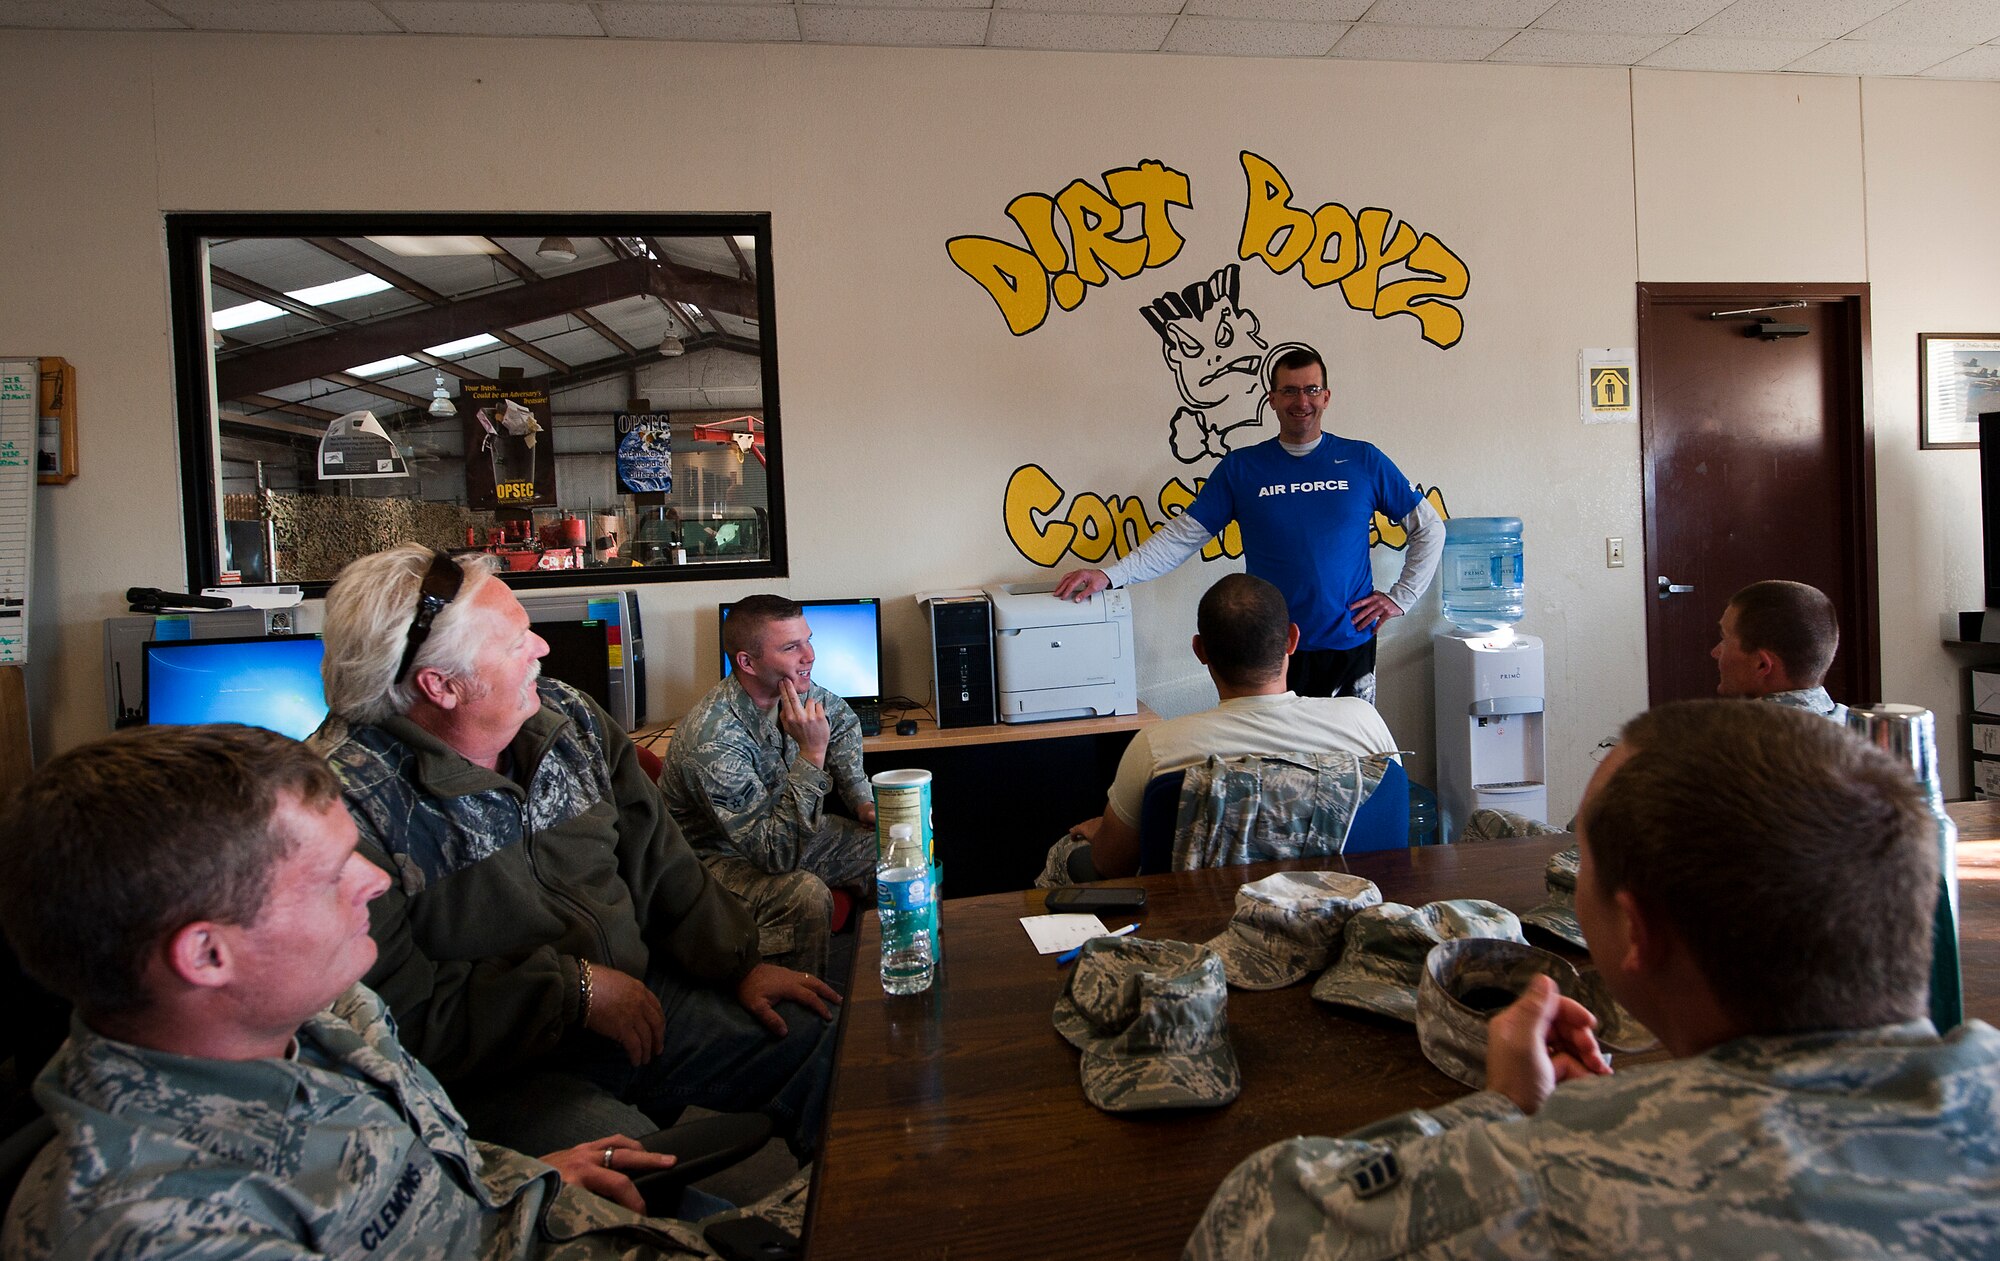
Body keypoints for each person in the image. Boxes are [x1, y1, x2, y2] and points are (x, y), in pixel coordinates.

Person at [1186, 700, 2000, 1259]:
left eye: (1581, 856)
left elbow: (1248, 1220)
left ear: (1637, 931)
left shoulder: (1553, 1181)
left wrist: (1501, 1115)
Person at [0, 724, 712, 1260]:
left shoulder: (329, 1010)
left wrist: (510, 1178)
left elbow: (406, 1165)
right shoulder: (160, 1227)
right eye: (331, 872)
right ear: (208, 952)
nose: (374, 881)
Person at [310, 545, 839, 1158]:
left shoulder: (568, 718)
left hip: (639, 998)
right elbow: (390, 1015)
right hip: (500, 1070)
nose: (542, 650)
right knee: (632, 1173)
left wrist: (737, 963)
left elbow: (661, 861)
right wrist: (573, 992)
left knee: (826, 1042)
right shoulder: (337, 805)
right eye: (516, 642)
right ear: (442, 686)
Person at [1054, 346, 1443, 703]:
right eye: (1289, 391)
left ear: (1326, 396)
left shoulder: (1364, 460)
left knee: (1352, 764)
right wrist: (1111, 575)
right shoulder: (1242, 468)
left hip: (1348, 644)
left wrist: (1401, 597)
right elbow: (1181, 538)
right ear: (1271, 399)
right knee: (1277, 767)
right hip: (1268, 652)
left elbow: (1430, 527)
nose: (1301, 401)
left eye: (1311, 389)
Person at [1063, 573, 1397, 879]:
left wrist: (1103, 832)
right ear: (1292, 640)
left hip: (1201, 937)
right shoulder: (1363, 721)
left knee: (1066, 854)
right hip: (1349, 928)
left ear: (1200, 651)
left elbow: (1109, 866)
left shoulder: (1157, 748)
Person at [660, 595, 879, 978]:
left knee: (897, 845)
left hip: (778, 831)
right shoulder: (713, 740)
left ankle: (889, 978)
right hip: (712, 861)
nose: (809, 656)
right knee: (804, 896)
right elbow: (775, 855)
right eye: (791, 647)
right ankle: (800, 1023)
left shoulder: (791, 691)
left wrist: (861, 800)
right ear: (747, 662)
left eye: (808, 640)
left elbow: (841, 722)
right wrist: (812, 754)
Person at [1714, 578, 1846, 720]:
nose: (1715, 652)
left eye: (1725, 639)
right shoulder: (1862, 728)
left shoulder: (1729, 737)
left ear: (1761, 665)